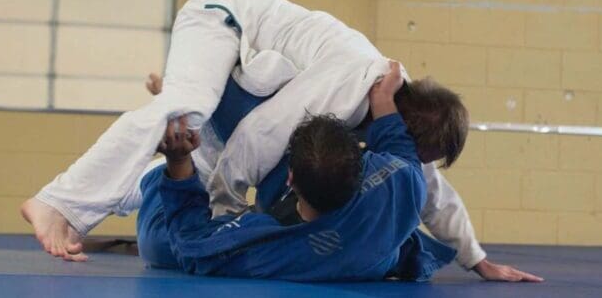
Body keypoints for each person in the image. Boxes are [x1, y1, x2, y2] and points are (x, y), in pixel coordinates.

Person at [21, 0, 541, 282]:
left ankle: (158, 167)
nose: (410, 159)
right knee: (188, 109)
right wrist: (224, 216)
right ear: (402, 124)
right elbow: (256, 136)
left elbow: (430, 188)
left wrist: (477, 259)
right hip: (219, 21)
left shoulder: (392, 121)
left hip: (252, 75)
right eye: (415, 149)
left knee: (193, 148)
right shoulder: (347, 86)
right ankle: (59, 203)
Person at [135, 66, 456, 280]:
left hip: (183, 195)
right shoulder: (404, 184)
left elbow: (190, 245)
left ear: (290, 179)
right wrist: (385, 100)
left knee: (158, 246)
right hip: (355, 249)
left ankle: (165, 170)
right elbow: (399, 145)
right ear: (361, 169)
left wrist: (178, 163)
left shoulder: (264, 248)